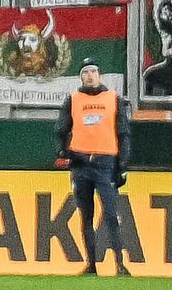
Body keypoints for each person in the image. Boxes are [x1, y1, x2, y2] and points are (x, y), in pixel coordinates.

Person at [55, 61, 133, 276]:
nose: (90, 76)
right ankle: (91, 264)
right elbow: (61, 129)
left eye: (93, 72)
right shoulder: (73, 99)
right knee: (86, 215)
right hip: (81, 164)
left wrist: (123, 165)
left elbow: (124, 133)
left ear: (100, 74)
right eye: (86, 73)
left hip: (105, 161)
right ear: (81, 77)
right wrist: (66, 153)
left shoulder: (114, 99)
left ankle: (119, 264)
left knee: (110, 214)